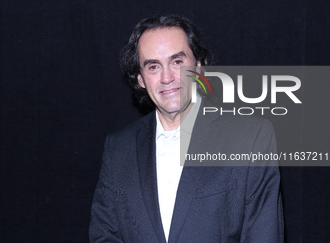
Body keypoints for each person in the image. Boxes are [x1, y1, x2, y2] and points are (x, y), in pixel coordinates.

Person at [89, 15, 284, 243]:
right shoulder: (118, 148)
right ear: (140, 79)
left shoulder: (250, 138)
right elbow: (104, 236)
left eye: (177, 62)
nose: (167, 78)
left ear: (198, 67)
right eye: (153, 66)